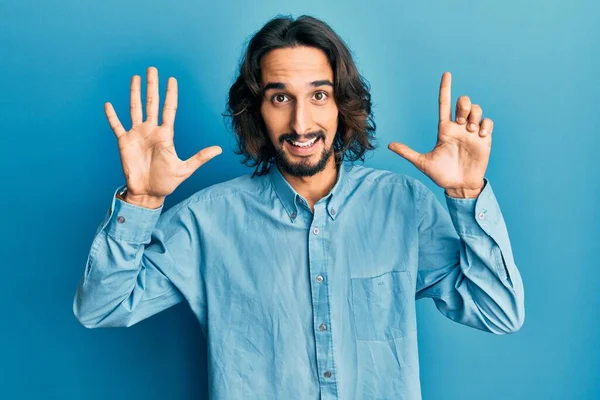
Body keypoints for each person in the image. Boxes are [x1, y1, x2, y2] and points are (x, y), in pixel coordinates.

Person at [73, 15, 524, 400]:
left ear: (342, 105)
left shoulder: (403, 206)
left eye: (319, 95)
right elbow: (101, 308)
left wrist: (467, 195)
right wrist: (143, 201)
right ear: (256, 110)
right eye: (280, 97)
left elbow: (498, 312)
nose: (301, 122)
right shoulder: (207, 221)